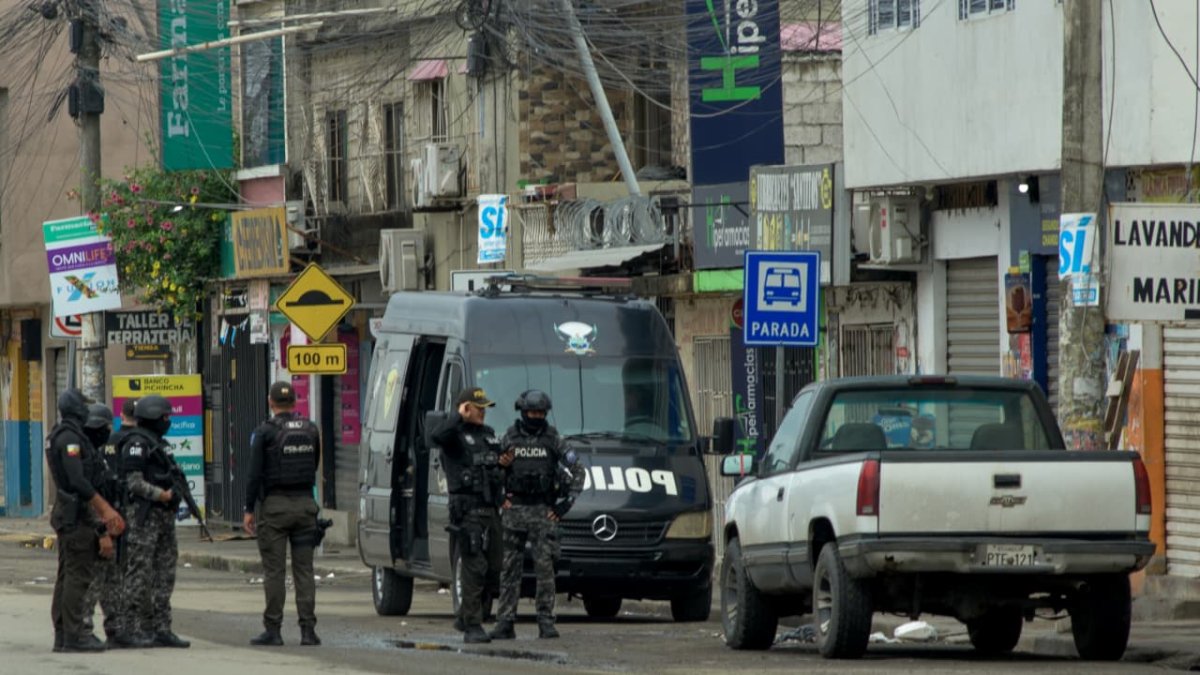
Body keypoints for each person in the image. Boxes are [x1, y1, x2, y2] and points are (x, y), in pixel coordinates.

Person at [491, 390, 584, 640]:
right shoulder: (508, 438)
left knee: (545, 569)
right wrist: (500, 497)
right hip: (515, 511)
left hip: (543, 513)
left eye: (541, 413)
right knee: (510, 569)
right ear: (523, 412)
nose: (536, 416)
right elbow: (492, 472)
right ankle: (505, 621)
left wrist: (564, 506)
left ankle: (545, 620)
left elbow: (578, 471)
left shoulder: (554, 439)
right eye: (532, 412)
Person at [243, 381, 323, 647]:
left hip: (275, 508)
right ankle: (308, 631)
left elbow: (254, 474)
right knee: (304, 571)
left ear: (270, 401)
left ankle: (273, 630)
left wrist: (248, 509)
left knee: (274, 571)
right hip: (305, 506)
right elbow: (314, 464)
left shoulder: (265, 432)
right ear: (295, 402)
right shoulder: (311, 430)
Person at [46, 389, 125, 653]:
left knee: (67, 576)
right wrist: (105, 510)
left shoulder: (65, 434)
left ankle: (64, 634)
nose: (86, 410)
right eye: (84, 406)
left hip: (71, 513)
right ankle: (75, 635)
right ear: (76, 409)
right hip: (76, 516)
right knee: (77, 577)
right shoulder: (69, 438)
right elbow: (78, 480)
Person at [430, 387, 509, 644]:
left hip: (491, 510)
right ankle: (473, 626)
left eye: (485, 407)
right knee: (474, 568)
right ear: (465, 407)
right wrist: (457, 417)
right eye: (478, 407)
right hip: (468, 513)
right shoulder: (453, 435)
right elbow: (435, 436)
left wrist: (504, 466)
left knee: (494, 567)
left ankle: (465, 616)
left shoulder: (487, 436)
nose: (483, 411)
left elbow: (497, 467)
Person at [118, 394, 190, 648]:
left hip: (164, 517)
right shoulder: (136, 443)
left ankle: (162, 628)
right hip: (144, 516)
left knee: (165, 574)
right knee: (139, 573)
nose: (168, 420)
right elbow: (133, 483)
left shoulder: (161, 444)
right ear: (152, 416)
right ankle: (128, 628)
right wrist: (161, 495)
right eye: (165, 416)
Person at [81, 403, 147, 649]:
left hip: (114, 524)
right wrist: (101, 531)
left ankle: (116, 630)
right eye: (99, 427)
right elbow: (87, 498)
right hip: (96, 528)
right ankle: (84, 629)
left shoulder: (99, 457)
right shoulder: (85, 459)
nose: (103, 431)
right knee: (93, 582)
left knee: (113, 581)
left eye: (106, 426)